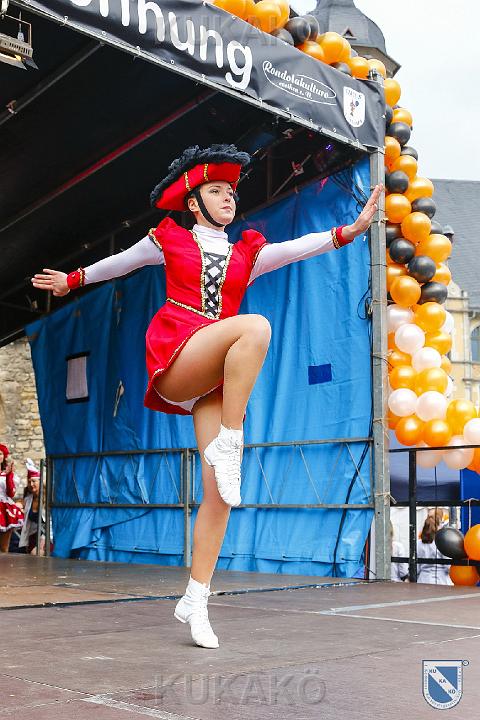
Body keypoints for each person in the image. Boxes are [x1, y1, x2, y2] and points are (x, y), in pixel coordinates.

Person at [32, 144, 382, 648]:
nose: (228, 198)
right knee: (255, 326)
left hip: (216, 375)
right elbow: (121, 263)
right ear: (194, 203)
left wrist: (352, 229)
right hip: (178, 355)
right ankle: (231, 441)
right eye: (216, 191)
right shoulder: (169, 239)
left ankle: (196, 598)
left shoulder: (247, 253)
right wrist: (73, 279)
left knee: (219, 493)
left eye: (231, 192)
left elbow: (301, 246)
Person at [18, 459, 51, 555]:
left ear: (41, 481)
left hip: (47, 536)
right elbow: (19, 504)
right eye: (29, 482)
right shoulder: (28, 499)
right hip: (32, 536)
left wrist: (44, 540)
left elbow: (52, 522)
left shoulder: (48, 498)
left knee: (35, 553)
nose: (31, 484)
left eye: (34, 481)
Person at [0, 443, 25, 552]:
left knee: (4, 548)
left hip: (4, 509)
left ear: (4, 456)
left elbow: (11, 493)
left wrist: (9, 476)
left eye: (0, 453)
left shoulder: (8, 475)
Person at [416, 514, 453, 585]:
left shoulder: (418, 543)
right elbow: (448, 567)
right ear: (438, 526)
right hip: (441, 581)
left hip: (423, 580)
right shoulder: (442, 542)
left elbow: (416, 568)